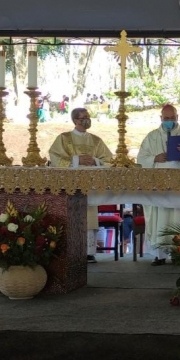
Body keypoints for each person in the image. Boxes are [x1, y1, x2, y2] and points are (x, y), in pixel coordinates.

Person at [49, 107, 113, 263]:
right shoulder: (64, 138)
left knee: (89, 214)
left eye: (88, 116)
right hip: (70, 184)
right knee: (71, 215)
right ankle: (71, 251)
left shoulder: (96, 140)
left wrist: (95, 161)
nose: (87, 120)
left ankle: (89, 251)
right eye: (83, 117)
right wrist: (76, 160)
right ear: (75, 120)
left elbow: (110, 160)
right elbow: (54, 157)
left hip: (91, 185)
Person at [136, 104, 180, 265]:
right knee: (159, 218)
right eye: (166, 118)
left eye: (172, 118)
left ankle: (178, 253)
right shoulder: (151, 137)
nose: (169, 121)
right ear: (161, 118)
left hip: (179, 184)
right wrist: (155, 158)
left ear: (177, 117)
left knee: (177, 217)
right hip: (158, 184)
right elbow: (141, 159)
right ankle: (159, 254)